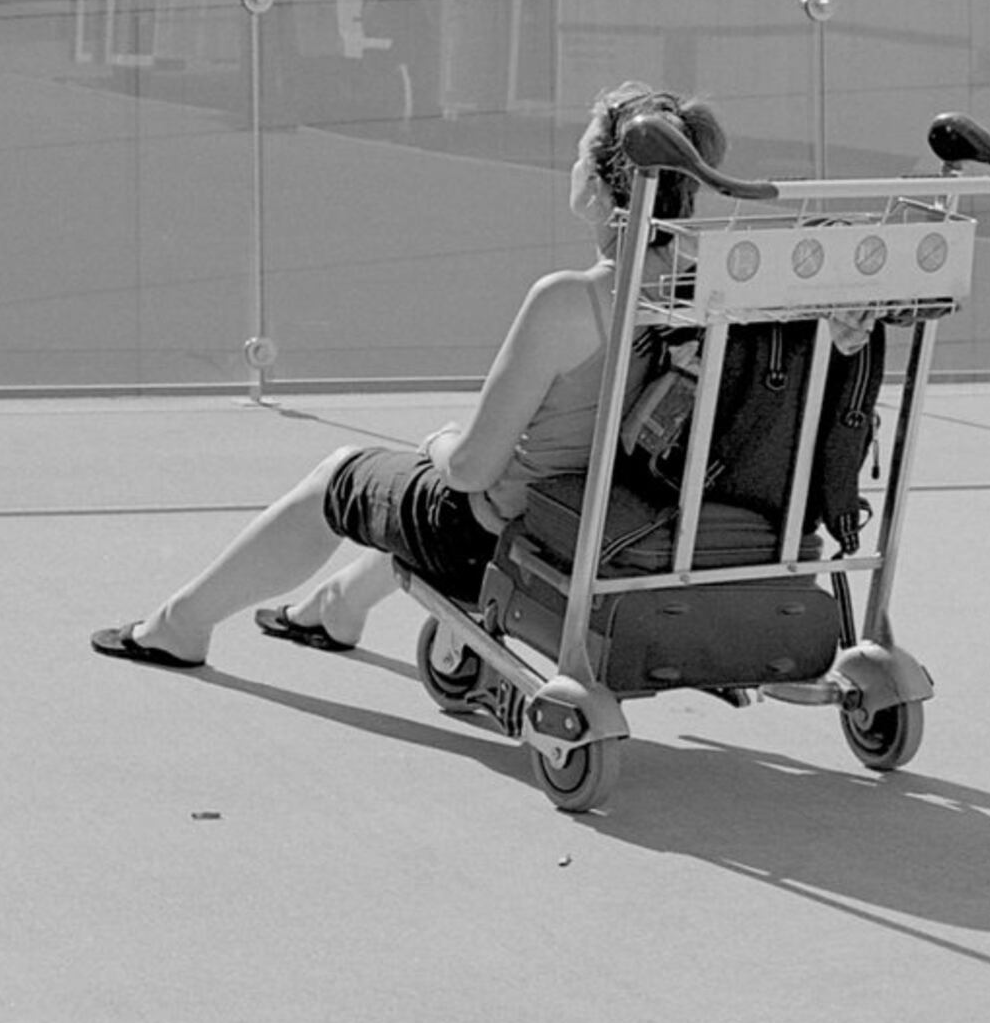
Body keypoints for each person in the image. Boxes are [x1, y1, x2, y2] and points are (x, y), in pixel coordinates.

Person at [91, 82, 724, 670]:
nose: (574, 168)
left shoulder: (572, 302)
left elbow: (471, 473)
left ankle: (179, 626)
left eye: (581, 157)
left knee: (342, 477)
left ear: (600, 189)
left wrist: (439, 445)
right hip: (628, 525)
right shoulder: (716, 297)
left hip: (508, 542)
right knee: (422, 486)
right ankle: (339, 605)